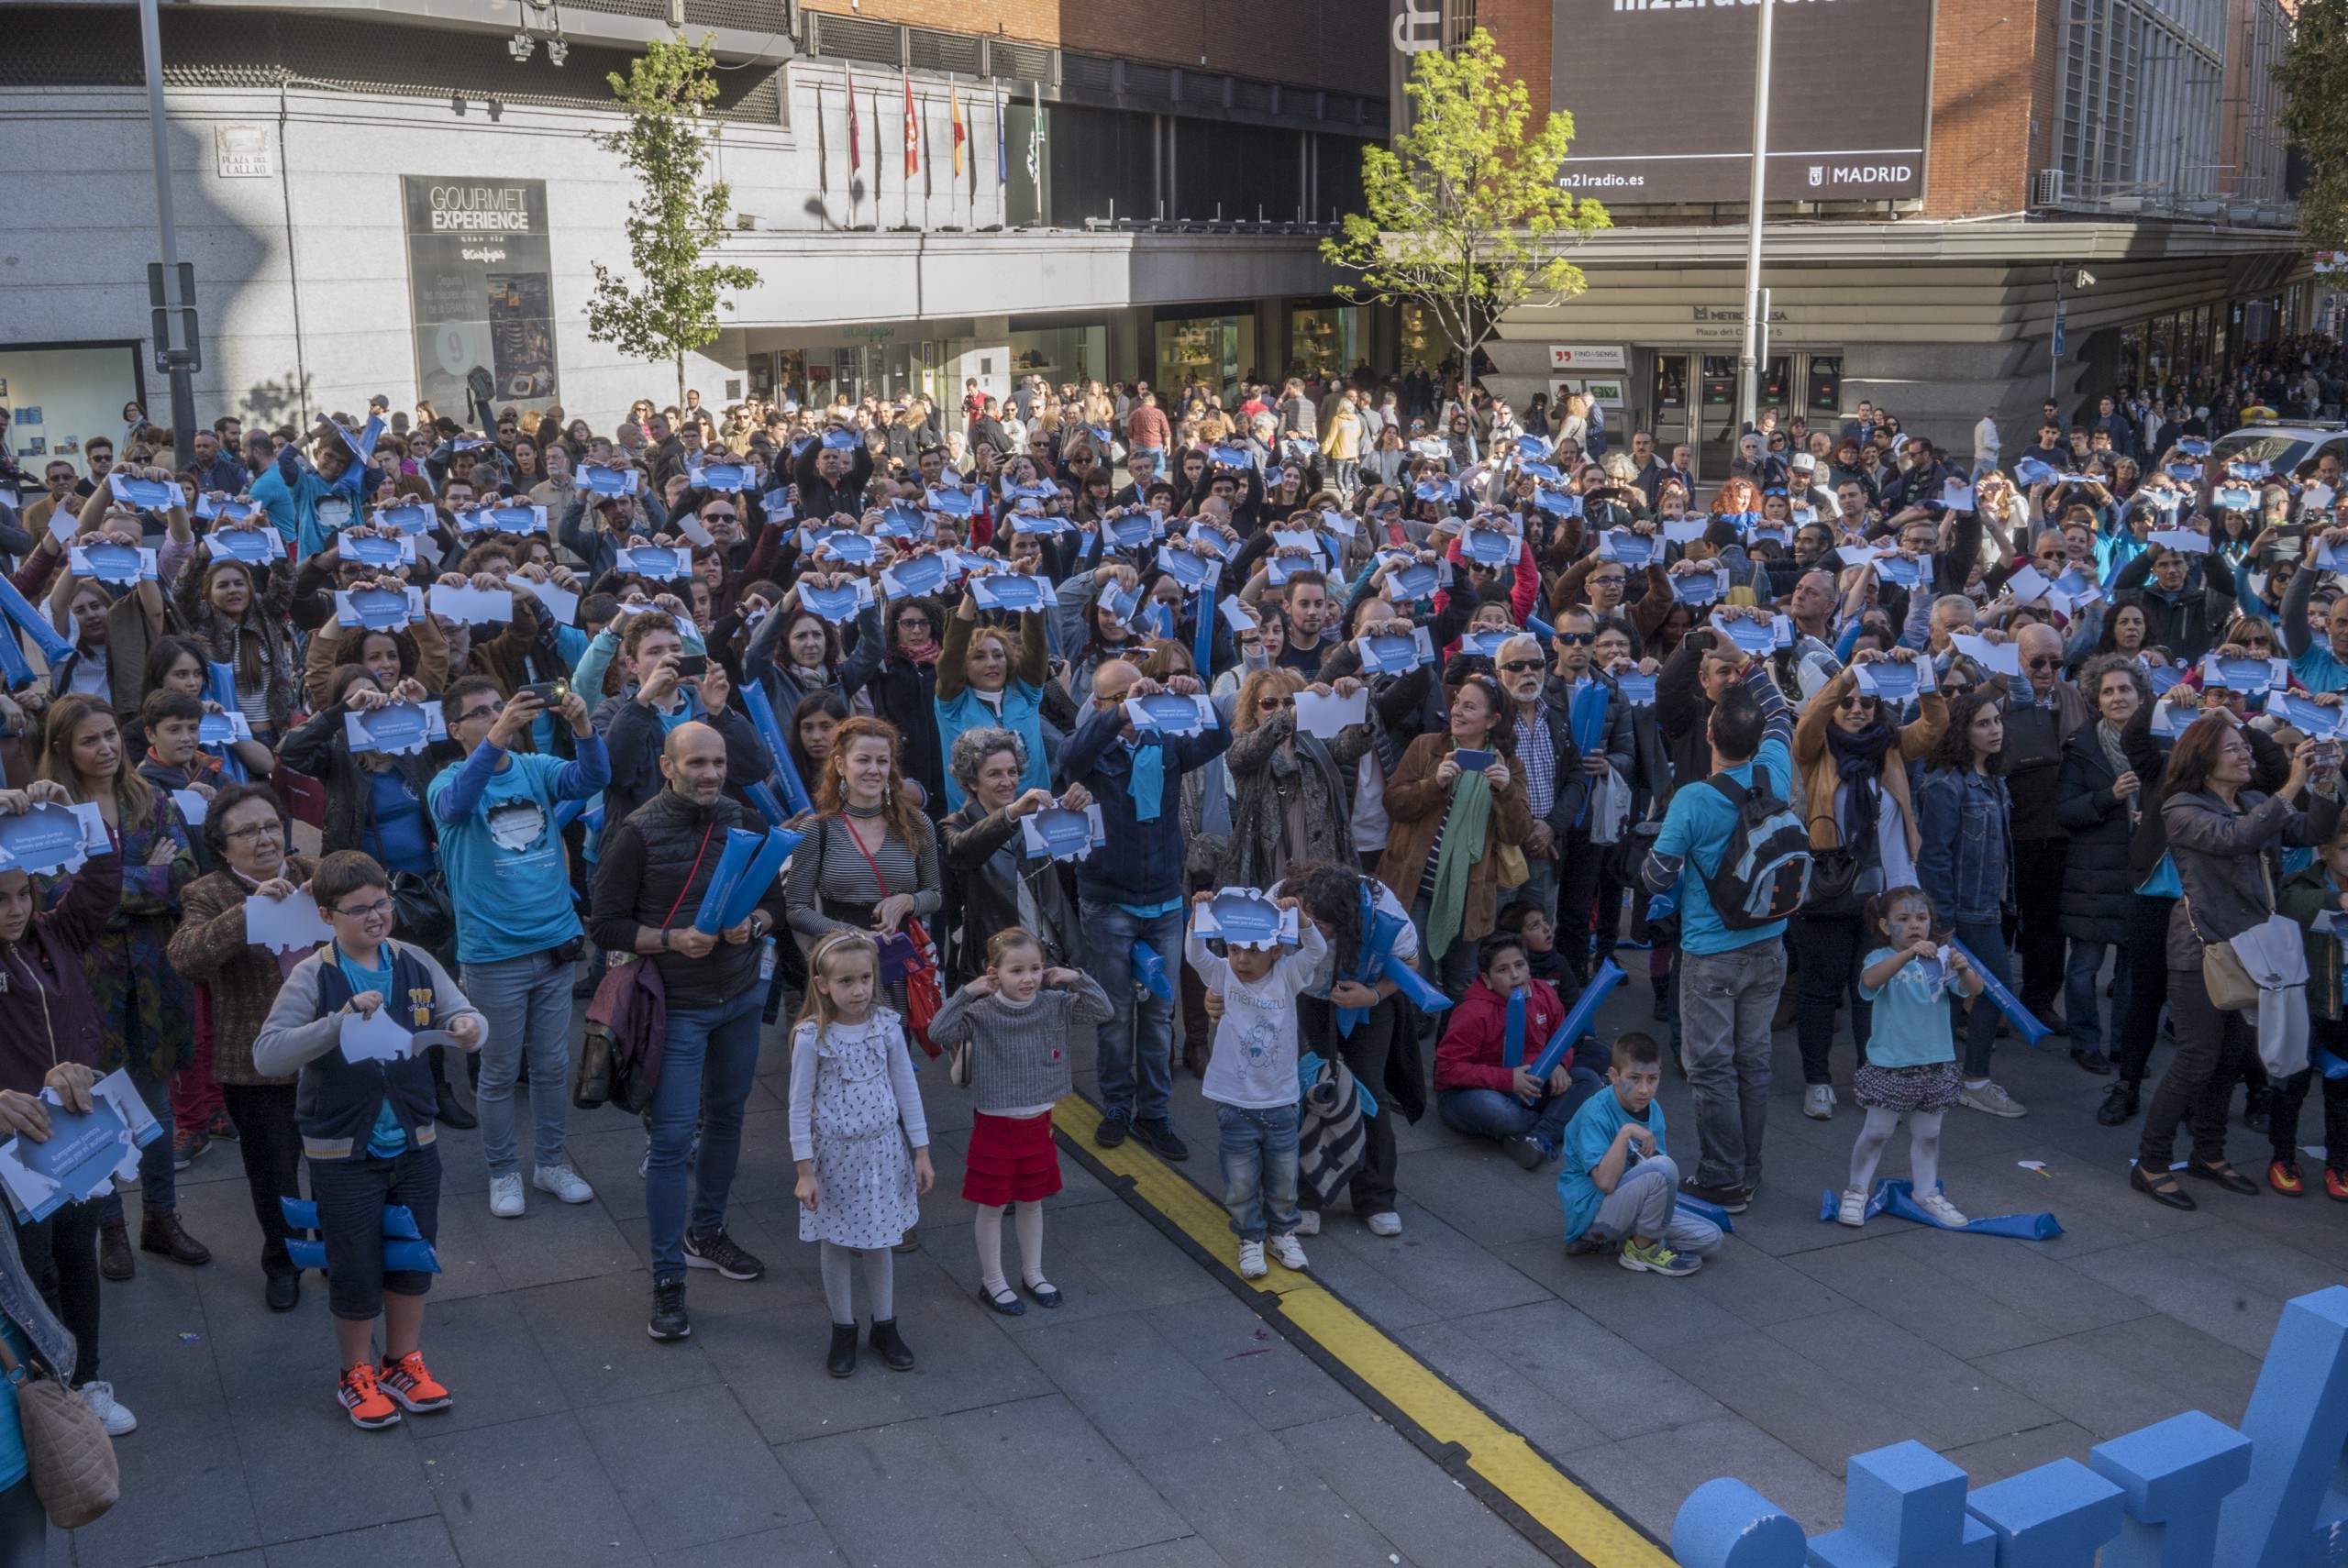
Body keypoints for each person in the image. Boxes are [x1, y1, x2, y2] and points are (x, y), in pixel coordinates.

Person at [250, 850, 487, 1429]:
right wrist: (337, 1022)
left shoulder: (416, 960)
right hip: (341, 1152)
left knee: (413, 1257)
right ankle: (355, 1373)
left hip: (414, 1141)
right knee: (354, 1265)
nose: (376, 916)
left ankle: (403, 1360)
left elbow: (469, 1021)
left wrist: (467, 1028)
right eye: (359, 910)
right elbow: (267, 1054)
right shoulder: (315, 974)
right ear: (327, 915)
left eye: (382, 902)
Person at [590, 722, 788, 1341]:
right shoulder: (637, 833)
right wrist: (673, 939)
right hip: (675, 1007)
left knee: (729, 1118)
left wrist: (754, 924)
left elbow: (776, 904)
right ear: (667, 766)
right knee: (673, 1141)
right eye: (696, 762)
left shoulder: (746, 818)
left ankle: (707, 1233)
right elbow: (606, 925)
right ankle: (668, 1278)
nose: (709, 773)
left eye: (718, 762)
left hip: (738, 996)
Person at [2134, 713, 2339, 1209]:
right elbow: (2236, 839)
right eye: (2234, 749)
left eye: (2245, 747)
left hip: (2252, 950)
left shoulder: (2251, 800)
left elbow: (2313, 830)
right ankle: (2151, 1163)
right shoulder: (2181, 806)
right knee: (2195, 1059)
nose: (2245, 755)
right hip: (2201, 952)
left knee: (2229, 1059)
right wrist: (2292, 784)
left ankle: (2209, 1153)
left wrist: (2327, 787)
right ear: (2203, 759)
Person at [37, 694, 208, 1280]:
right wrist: (146, 878)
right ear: (64, 749)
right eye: (90, 740)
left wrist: (112, 887)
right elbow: (59, 900)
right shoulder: (53, 816)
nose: (106, 748)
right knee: (96, 1106)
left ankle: (161, 1217)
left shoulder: (151, 798)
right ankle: (110, 1225)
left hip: (157, 975)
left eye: (111, 734)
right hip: (88, 982)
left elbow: (184, 876)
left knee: (156, 1103)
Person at [429, 676, 610, 1219]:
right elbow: (456, 805)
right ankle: (503, 1170)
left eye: (500, 707)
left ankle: (550, 1162)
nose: (496, 715)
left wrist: (582, 726)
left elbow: (593, 777)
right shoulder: (448, 779)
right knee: (500, 1071)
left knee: (553, 1065)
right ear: (456, 729)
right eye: (482, 713)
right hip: (493, 955)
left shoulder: (536, 769)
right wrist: (498, 738)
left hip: (554, 945)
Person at [0, 780, 134, 1439]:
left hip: (78, 1133)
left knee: (78, 1256)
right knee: (28, 1274)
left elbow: (103, 879)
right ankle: (45, 1392)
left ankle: (89, 1380)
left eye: (23, 894)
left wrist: (70, 807)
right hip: (14, 1150)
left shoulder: (55, 935)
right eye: (0, 898)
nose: (15, 910)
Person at [1059, 656, 1232, 1158]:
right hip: (1108, 900)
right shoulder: (1095, 744)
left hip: (1162, 899)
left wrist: (1193, 691)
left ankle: (1155, 1112)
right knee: (1115, 1015)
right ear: (1100, 704)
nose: (1141, 698)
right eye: (1124, 695)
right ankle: (1116, 1104)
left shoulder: (1167, 741)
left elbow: (1218, 737)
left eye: (1143, 690)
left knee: (1159, 1016)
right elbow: (1071, 755)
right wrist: (1122, 714)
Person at [1642, 649, 1794, 1211]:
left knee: (1711, 1069)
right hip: (1769, 944)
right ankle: (1750, 1169)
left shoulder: (1694, 799)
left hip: (1711, 953)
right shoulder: (1776, 767)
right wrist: (1751, 666)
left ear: (1710, 732)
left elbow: (1656, 878)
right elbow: (1780, 714)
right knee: (1753, 1062)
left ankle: (1722, 1177)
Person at [164, 783, 316, 1312]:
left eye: (272, 825)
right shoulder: (209, 893)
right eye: (248, 831)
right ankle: (284, 1261)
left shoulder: (310, 873)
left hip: (332, 1050)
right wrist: (248, 911)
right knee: (274, 1172)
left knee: (341, 1163)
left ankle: (339, 1249)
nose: (265, 838)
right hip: (257, 1064)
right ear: (223, 847)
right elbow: (185, 957)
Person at [1789, 648, 1943, 1120]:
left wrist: (1921, 670)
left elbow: (1935, 724)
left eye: (1868, 702)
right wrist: (1851, 672)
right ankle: (1817, 1081)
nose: (1857, 709)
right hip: (1829, 888)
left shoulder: (1891, 747)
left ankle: (1871, 1077)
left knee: (1871, 989)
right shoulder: (1816, 751)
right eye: (1848, 701)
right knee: (1819, 988)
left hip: (1888, 893)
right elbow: (1809, 722)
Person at [927, 929, 1113, 1314]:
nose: (1028, 978)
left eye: (1035, 968)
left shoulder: (1054, 1004)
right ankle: (992, 1281)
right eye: (1016, 970)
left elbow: (1103, 1011)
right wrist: (967, 992)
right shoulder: (979, 1013)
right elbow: (937, 1032)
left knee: (1032, 1202)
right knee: (992, 1205)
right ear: (993, 973)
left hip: (1038, 1123)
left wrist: (1077, 977)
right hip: (995, 1125)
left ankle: (1034, 1273)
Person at [790, 931, 934, 1377]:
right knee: (835, 1241)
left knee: (881, 1239)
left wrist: (921, 1151)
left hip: (883, 1153)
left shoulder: (887, 1026)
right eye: (847, 981)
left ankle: (885, 1325)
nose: (858, 990)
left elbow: (906, 1089)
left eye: (866, 979)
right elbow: (797, 1107)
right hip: (834, 1157)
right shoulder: (812, 1037)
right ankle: (842, 1328)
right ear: (822, 985)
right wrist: (805, 1172)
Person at [1183, 890, 1330, 1280]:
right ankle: (1250, 1238)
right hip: (1233, 1101)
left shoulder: (1289, 973)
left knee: (1284, 1178)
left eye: (1251, 950)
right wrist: (1199, 914)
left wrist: (1299, 917)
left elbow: (1316, 951)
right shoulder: (1223, 973)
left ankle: (1281, 1232)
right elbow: (1196, 956)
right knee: (1241, 1180)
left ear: (1277, 951)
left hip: (1281, 1101)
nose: (1241, 959)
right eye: (1233, 949)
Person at [1376, 670, 1534, 998]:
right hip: (1414, 886)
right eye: (1457, 702)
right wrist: (1433, 784)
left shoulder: (1510, 765)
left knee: (1462, 984)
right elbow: (1394, 804)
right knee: (1412, 977)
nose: (1457, 711)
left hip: (1470, 896)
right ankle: (1416, 1046)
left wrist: (1504, 791)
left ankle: (1454, 1046)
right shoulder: (1425, 748)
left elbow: (1517, 834)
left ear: (1492, 720)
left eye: (1470, 707)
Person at [1839, 887, 1982, 1228]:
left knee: (1929, 1133)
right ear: (1886, 926)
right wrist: (1907, 955)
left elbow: (1975, 991)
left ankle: (1926, 1192)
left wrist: (1963, 968)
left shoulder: (1942, 958)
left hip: (1936, 1063)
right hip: (1892, 1065)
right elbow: (1870, 982)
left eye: (1921, 918)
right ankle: (1857, 1191)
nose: (1915, 925)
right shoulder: (1880, 959)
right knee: (1877, 1131)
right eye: (1903, 919)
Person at [1916, 691, 2026, 1118]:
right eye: (1983, 723)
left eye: (1997, 720)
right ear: (1962, 732)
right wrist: (1943, 923)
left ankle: (1948, 1076)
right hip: (1963, 911)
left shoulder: (1994, 780)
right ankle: (1973, 1080)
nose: (1995, 729)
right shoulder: (1946, 784)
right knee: (1993, 992)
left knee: (1967, 993)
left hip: (1990, 905)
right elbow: (1934, 858)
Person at [1556, 1031, 1720, 1277]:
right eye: (1634, 1078)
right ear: (1613, 1076)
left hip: (1632, 1205)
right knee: (1664, 1167)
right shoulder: (1595, 1114)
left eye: (1652, 1079)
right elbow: (1605, 1182)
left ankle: (1619, 1244)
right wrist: (1625, 1134)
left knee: (1711, 1238)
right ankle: (1641, 1249)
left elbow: (1654, 1180)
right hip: (1594, 1214)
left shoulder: (1652, 1107)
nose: (1644, 1089)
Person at [2053, 656, 2148, 1077]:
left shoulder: (2159, 743)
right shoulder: (2081, 746)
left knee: (2132, 971)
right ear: (2097, 699)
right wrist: (2110, 796)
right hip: (2092, 875)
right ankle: (2085, 1042)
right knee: (2084, 968)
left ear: (2140, 696)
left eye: (2124, 689)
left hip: (2140, 873)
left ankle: (2126, 1046)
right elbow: (2066, 810)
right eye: (2108, 691)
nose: (2117, 697)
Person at [1434, 931, 1597, 1167]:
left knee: (1588, 1079)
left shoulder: (1545, 994)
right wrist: (1507, 1079)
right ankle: (1554, 1122)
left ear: (1528, 967)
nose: (1514, 975)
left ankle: (1538, 1136)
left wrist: (1559, 1063)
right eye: (1502, 970)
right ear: (1487, 979)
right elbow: (1447, 1070)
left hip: (1531, 1083)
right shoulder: (1473, 1012)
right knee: (1502, 1113)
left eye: (1520, 965)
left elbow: (1561, 1037)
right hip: (1471, 1093)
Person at [939, 729, 1084, 983]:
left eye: (1012, 772)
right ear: (972, 782)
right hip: (994, 968)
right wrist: (1011, 813)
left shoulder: (1036, 818)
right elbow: (961, 850)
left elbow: (1077, 862)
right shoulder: (953, 826)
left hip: (1049, 960)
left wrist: (1080, 811)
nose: (1007, 782)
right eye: (995, 774)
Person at [2275, 818, 2348, 1198]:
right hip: (2311, 1002)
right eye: (2346, 850)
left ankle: (2340, 1164)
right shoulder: (2305, 883)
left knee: (2343, 1091)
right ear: (2324, 852)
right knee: (2294, 1084)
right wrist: (2337, 900)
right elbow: (2289, 906)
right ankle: (2282, 1156)